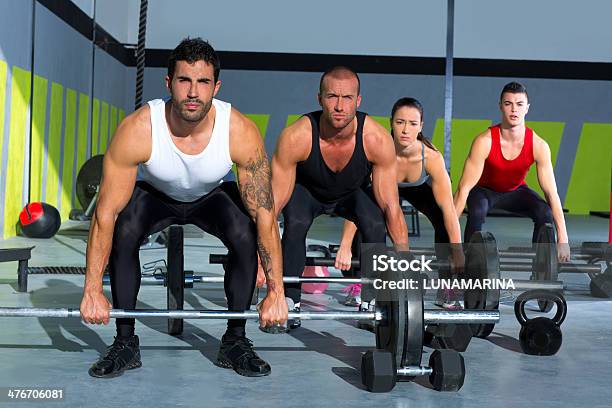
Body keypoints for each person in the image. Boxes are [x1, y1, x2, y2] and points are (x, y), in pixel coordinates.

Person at [79, 38, 288, 379]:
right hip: (156, 196)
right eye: (184, 80)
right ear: (168, 83)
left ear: (216, 87)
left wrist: (277, 292)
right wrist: (92, 291)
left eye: (203, 82)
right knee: (124, 228)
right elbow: (104, 214)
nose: (193, 92)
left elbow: (265, 214)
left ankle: (235, 341)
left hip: (211, 196)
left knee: (245, 230)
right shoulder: (139, 128)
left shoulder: (239, 131)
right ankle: (125, 342)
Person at [271, 66, 409, 329]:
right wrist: (260, 259)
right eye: (332, 97)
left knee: (376, 223)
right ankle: (289, 299)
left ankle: (371, 299)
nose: (339, 106)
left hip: (351, 193)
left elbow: (392, 207)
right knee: (295, 222)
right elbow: (272, 207)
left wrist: (405, 265)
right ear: (319, 98)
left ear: (358, 101)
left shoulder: (376, 139)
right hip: (307, 192)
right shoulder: (296, 136)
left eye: (347, 99)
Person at [335, 97, 464, 309]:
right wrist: (345, 246)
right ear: (391, 123)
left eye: (412, 124)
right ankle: (360, 282)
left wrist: (457, 252)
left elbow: (450, 209)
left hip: (417, 188)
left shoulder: (431, 157)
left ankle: (446, 286)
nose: (405, 129)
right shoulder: (378, 150)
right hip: (384, 184)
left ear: (421, 126)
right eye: (400, 122)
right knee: (368, 219)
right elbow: (357, 202)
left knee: (442, 219)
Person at [453, 81, 570, 262]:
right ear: (501, 107)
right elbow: (463, 190)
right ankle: (467, 265)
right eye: (508, 104)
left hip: (515, 191)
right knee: (476, 212)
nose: (514, 110)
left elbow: (551, 192)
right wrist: (451, 245)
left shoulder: (539, 145)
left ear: (527, 108)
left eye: (519, 104)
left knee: (544, 212)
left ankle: (540, 266)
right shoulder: (484, 141)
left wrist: (563, 238)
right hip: (484, 191)